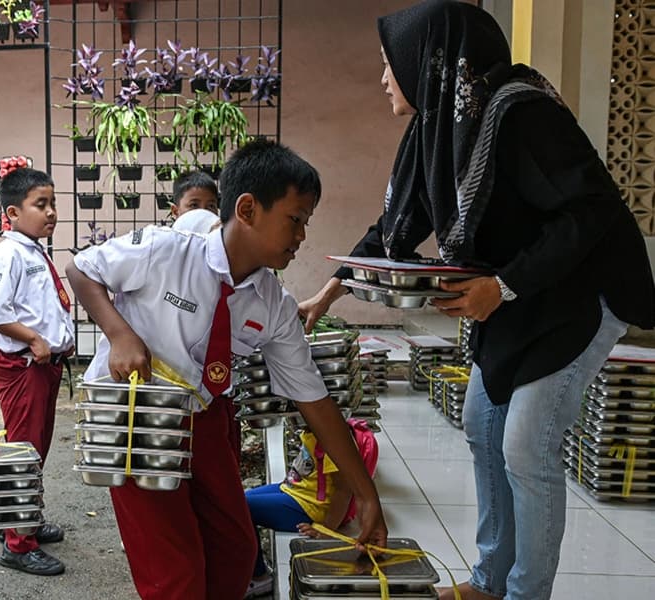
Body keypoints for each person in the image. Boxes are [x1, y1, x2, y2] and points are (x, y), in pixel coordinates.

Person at [298, 2, 655, 599]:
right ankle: (490, 582)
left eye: (390, 65)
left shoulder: (521, 114)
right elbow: (395, 225)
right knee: (481, 421)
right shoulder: (438, 130)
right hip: (523, 298)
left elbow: (590, 211)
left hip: (581, 294)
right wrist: (331, 290)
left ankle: (524, 593)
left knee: (526, 441)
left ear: (426, 62)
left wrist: (503, 285)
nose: (383, 78)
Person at [66, 139, 388, 600]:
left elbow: (314, 401)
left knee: (235, 549)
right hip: (137, 417)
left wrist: (366, 494)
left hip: (205, 420)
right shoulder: (167, 250)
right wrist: (119, 334)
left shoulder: (273, 305)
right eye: (295, 221)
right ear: (249, 208)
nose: (301, 238)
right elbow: (81, 269)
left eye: (305, 224)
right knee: (176, 572)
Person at [0, 168, 74, 576]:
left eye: (53, 204)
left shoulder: (34, 251)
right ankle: (18, 544)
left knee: (34, 450)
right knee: (23, 454)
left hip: (44, 367)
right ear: (13, 212)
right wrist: (33, 339)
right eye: (41, 204)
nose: (51, 212)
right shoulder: (6, 254)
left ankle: (20, 520)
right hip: (24, 367)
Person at [244, 419, 378, 599]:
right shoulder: (315, 426)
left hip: (308, 507)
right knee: (239, 500)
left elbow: (343, 491)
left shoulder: (331, 435)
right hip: (294, 490)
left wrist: (325, 529)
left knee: (243, 508)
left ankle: (259, 576)